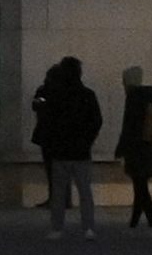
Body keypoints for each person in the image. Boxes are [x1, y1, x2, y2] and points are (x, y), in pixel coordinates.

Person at [32, 57, 103, 237]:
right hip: (81, 150)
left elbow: (47, 120)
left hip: (60, 149)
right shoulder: (87, 95)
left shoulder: (55, 95)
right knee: (85, 191)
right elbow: (96, 121)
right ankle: (88, 227)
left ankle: (57, 227)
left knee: (58, 191)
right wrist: (87, 140)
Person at [118, 67, 152, 231]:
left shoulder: (132, 98)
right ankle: (134, 223)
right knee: (141, 186)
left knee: (140, 188)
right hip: (151, 148)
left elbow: (128, 126)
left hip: (136, 149)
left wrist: (120, 148)